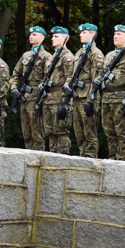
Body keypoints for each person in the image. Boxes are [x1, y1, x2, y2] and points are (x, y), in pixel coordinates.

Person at [99, 25, 125, 161]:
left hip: (122, 99)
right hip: (107, 98)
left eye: (119, 34)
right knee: (109, 132)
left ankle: (124, 161)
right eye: (115, 34)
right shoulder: (110, 55)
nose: (115, 36)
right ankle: (112, 159)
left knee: (124, 134)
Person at [65, 23, 104, 158]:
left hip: (87, 97)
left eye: (84, 32)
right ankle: (83, 158)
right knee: (79, 133)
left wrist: (91, 99)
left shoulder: (96, 54)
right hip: (77, 97)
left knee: (90, 134)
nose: (80, 35)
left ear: (92, 34)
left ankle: (91, 160)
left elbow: (96, 78)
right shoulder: (80, 52)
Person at [10, 26, 52, 150]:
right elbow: (16, 74)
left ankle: (38, 160)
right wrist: (13, 88)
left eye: (34, 35)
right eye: (30, 35)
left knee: (37, 133)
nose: (31, 36)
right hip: (24, 97)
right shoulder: (25, 56)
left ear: (42, 37)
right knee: (26, 133)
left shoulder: (46, 56)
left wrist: (42, 87)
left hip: (36, 98)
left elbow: (49, 76)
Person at [42, 26, 74, 154]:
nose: (52, 39)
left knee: (61, 131)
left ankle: (62, 159)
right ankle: (52, 157)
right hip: (49, 98)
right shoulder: (51, 57)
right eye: (52, 37)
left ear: (65, 38)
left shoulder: (67, 56)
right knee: (50, 132)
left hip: (60, 99)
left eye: (56, 36)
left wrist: (65, 103)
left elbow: (70, 77)